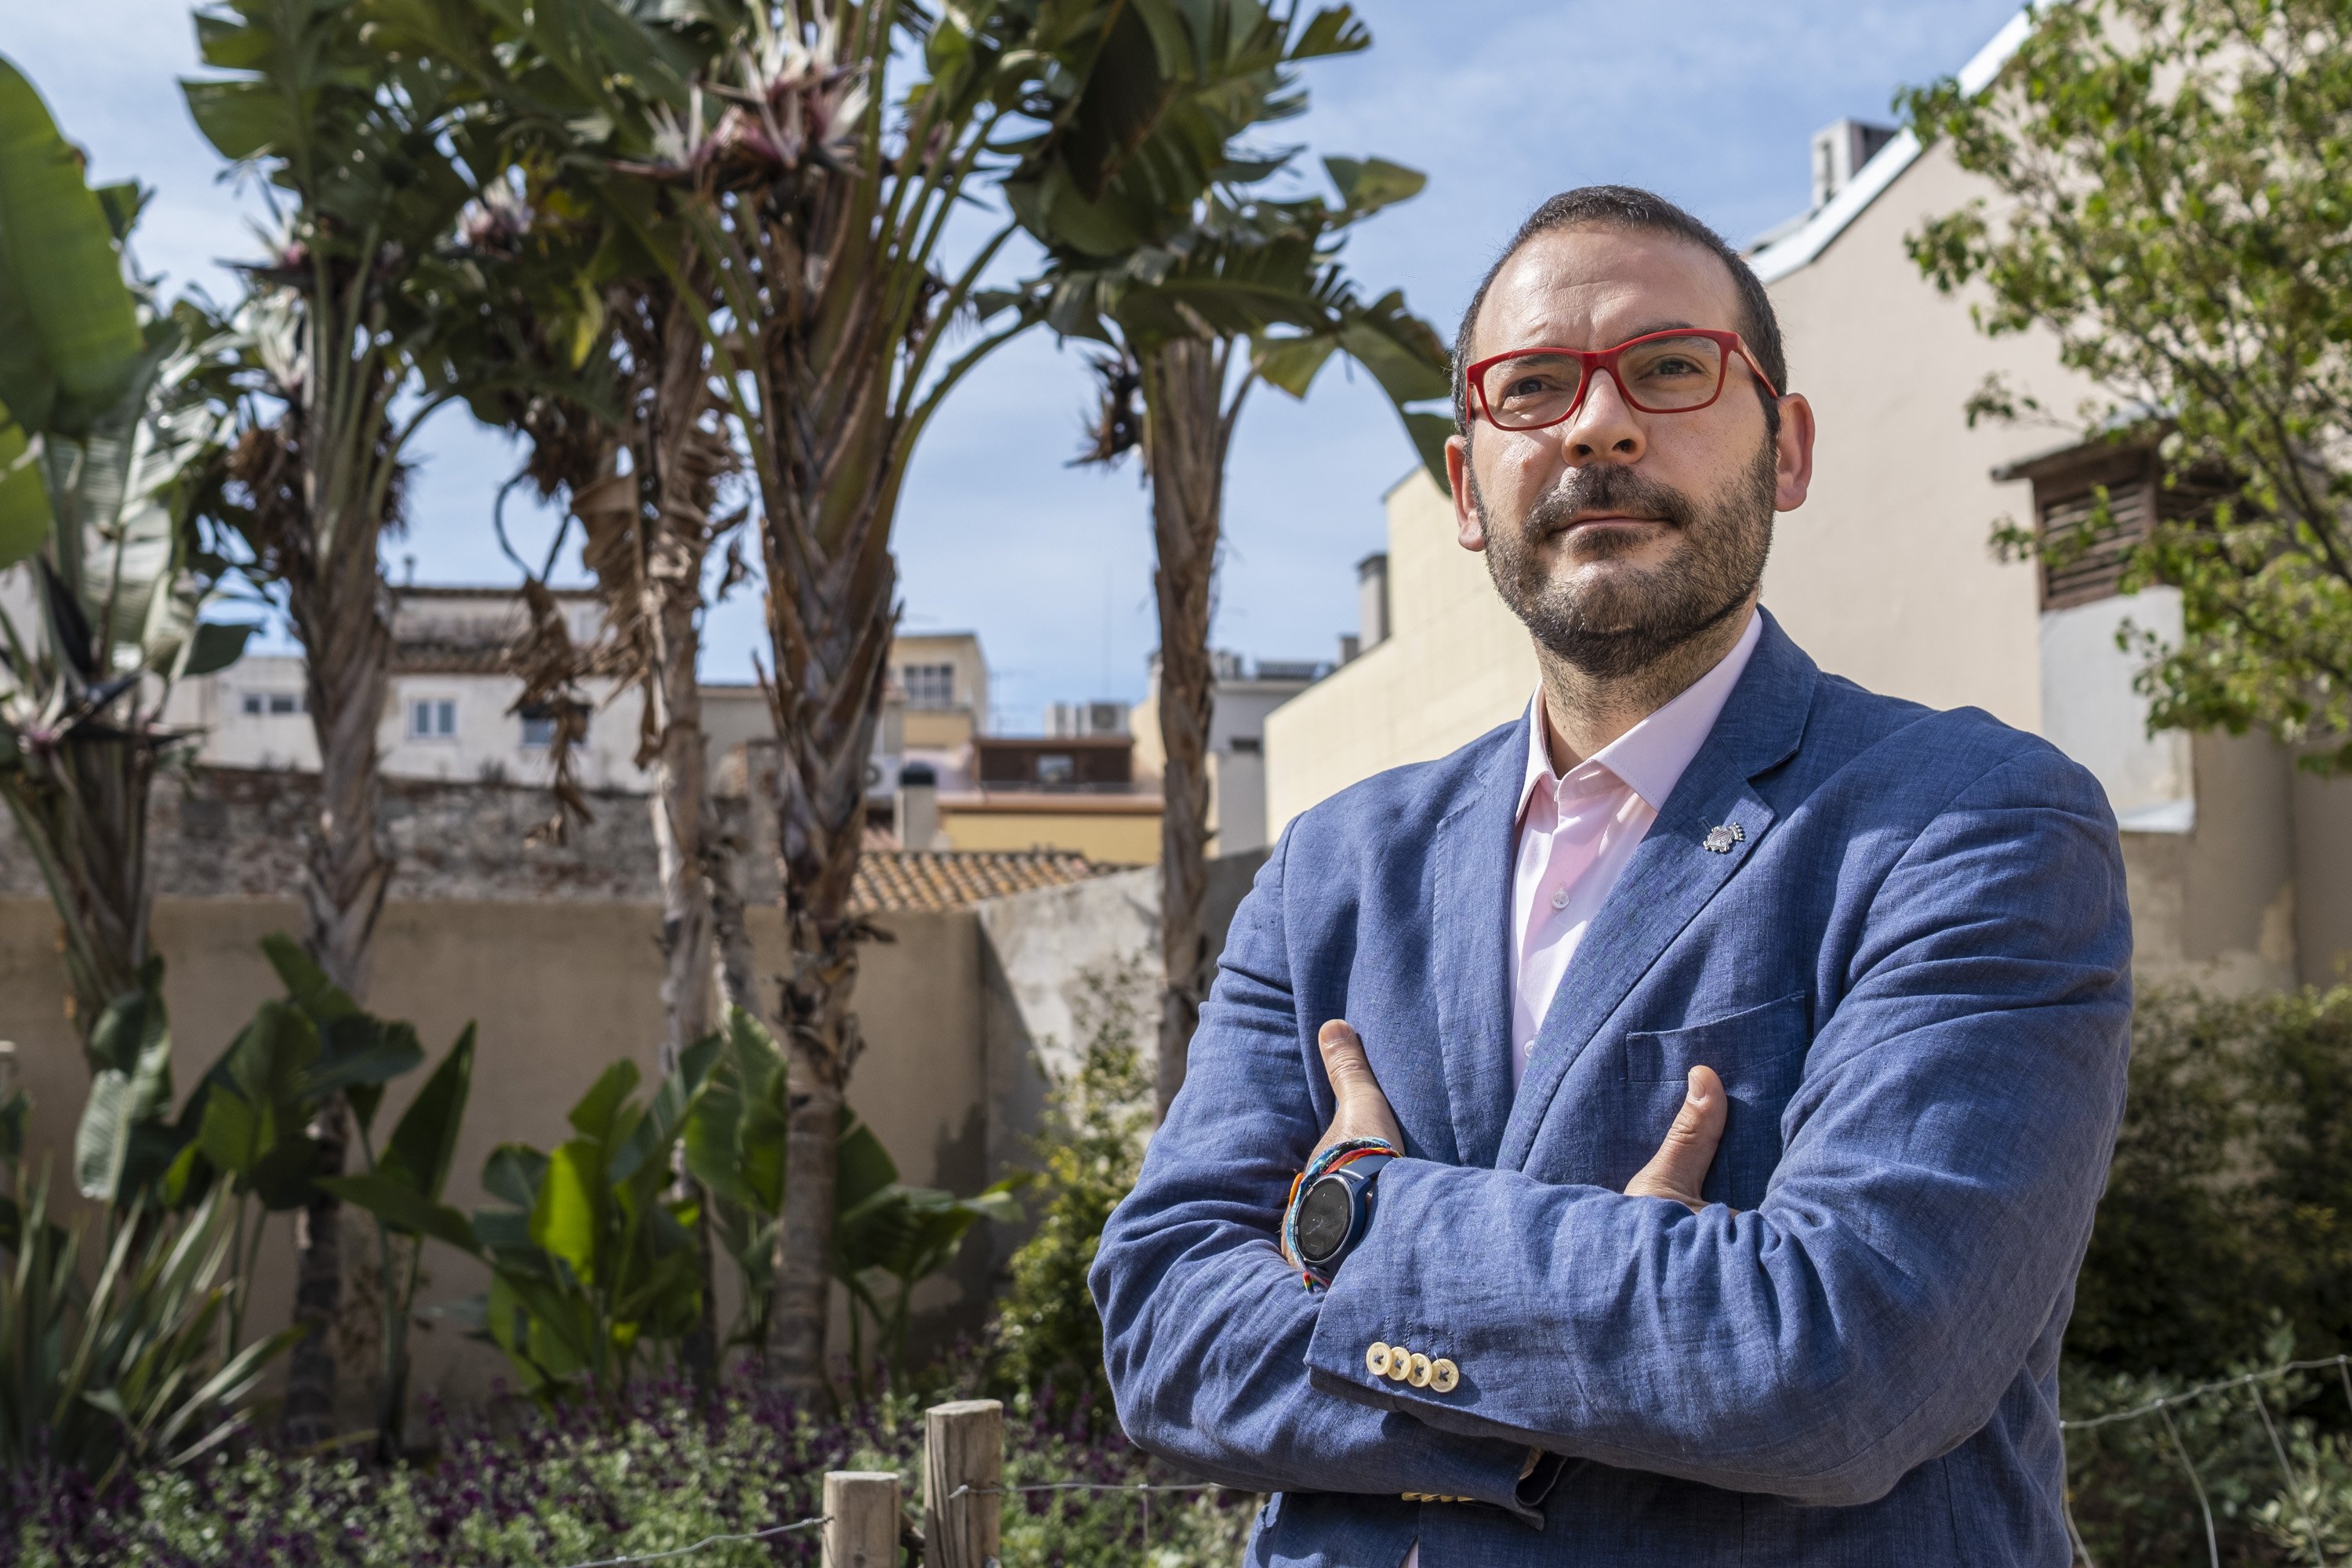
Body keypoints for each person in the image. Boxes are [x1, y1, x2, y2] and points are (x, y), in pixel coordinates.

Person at [1089, 185, 2132, 1566]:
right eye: (1532, 388)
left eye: (1670, 368)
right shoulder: (1332, 870)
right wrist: (1599, 1359)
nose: (1599, 422)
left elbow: (1841, 1364)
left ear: (1788, 447)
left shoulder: (1975, 826)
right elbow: (1164, 1327)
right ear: (1468, 488)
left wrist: (1357, 1218)